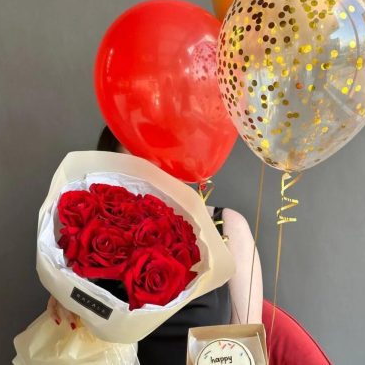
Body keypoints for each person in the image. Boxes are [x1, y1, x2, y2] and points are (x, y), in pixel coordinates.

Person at [48, 126, 263, 364]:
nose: (146, 181)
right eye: (131, 170)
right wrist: (67, 302)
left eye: (154, 164)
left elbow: (247, 350)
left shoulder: (227, 226)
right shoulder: (92, 242)